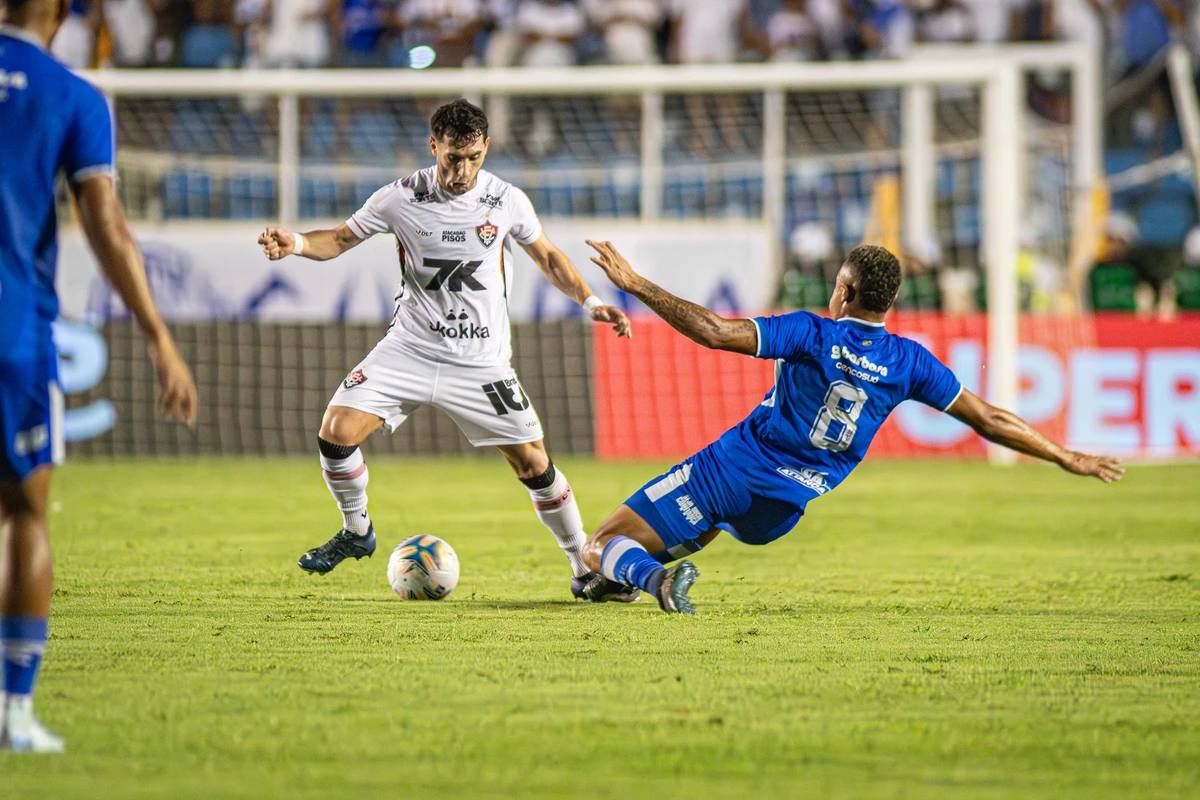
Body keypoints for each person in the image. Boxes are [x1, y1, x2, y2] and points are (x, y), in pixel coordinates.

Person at [577, 241, 1125, 615]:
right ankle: (621, 579)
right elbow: (989, 419)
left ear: (845, 291)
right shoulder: (910, 361)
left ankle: (655, 580)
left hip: (735, 470)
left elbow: (715, 331)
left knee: (597, 544)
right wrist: (1064, 455)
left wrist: (635, 283)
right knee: (699, 524)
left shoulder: (812, 333)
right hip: (783, 509)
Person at [257, 100, 637, 601]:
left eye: (473, 158)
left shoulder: (506, 200)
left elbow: (548, 257)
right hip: (409, 349)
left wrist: (590, 301)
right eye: (453, 158)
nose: (462, 171)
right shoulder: (399, 198)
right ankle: (356, 530)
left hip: (481, 363)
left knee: (534, 466)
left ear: (486, 149)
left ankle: (582, 567)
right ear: (433, 146)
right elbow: (340, 239)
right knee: (336, 431)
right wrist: (297, 243)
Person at [0, 1, 198, 751]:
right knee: (22, 515)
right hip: (12, 332)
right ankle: (14, 713)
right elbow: (105, 224)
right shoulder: (72, 95)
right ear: (55, 11)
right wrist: (157, 336)